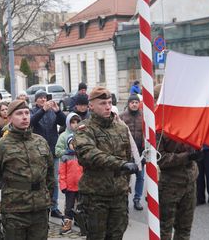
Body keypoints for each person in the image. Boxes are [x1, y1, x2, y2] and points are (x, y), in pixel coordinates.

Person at [0, 100, 55, 240]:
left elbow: (50, 174)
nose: (25, 117)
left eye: (27, 113)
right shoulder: (0, 146)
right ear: (9, 118)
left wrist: (48, 199)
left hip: (39, 210)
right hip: (14, 210)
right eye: (19, 113)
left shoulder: (40, 141)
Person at [73, 86, 138, 240]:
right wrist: (120, 164)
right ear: (91, 106)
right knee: (96, 236)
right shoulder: (84, 129)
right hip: (96, 196)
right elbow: (88, 155)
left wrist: (123, 181)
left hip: (118, 194)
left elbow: (127, 156)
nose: (108, 106)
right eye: (102, 103)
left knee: (116, 235)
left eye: (109, 102)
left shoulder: (121, 127)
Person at [155, 84, 202, 240]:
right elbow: (160, 158)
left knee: (184, 229)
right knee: (165, 229)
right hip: (169, 184)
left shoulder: (188, 119)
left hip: (190, 181)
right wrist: (187, 156)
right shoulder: (156, 126)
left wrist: (198, 151)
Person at [30, 89, 66, 219]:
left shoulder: (52, 112)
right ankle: (42, 206)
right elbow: (31, 122)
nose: (43, 100)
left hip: (53, 150)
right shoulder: (33, 112)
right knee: (40, 180)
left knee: (54, 181)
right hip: (38, 152)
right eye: (40, 98)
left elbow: (64, 123)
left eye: (45, 98)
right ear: (35, 100)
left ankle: (54, 207)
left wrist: (58, 111)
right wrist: (43, 110)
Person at [120, 94, 145, 211]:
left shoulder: (144, 116)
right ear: (128, 104)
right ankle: (124, 199)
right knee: (125, 178)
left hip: (140, 153)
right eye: (132, 102)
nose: (134, 104)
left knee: (140, 177)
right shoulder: (122, 117)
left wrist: (145, 153)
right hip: (126, 153)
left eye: (136, 102)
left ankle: (137, 199)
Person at [59, 134, 83, 235]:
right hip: (69, 188)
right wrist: (63, 185)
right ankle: (67, 225)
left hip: (82, 187)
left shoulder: (82, 157)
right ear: (68, 144)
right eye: (72, 143)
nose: (74, 145)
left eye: (76, 143)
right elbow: (62, 173)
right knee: (69, 207)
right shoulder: (65, 158)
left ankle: (83, 225)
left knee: (82, 207)